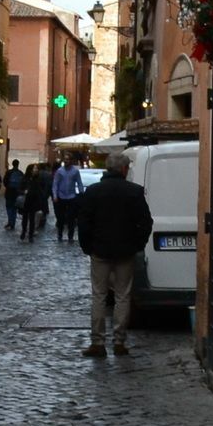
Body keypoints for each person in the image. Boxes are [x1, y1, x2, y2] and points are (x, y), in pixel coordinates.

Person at [75, 152, 152, 357]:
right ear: (125, 169)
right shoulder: (134, 192)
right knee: (123, 296)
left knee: (99, 296)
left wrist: (87, 247)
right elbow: (145, 222)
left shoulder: (93, 191)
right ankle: (119, 341)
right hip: (125, 251)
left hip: (99, 250)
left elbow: (83, 222)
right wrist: (137, 244)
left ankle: (98, 342)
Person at [52, 155, 85, 241]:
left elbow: (79, 182)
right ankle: (60, 234)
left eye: (68, 159)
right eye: (65, 159)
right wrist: (55, 195)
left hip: (71, 196)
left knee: (71, 218)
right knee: (60, 218)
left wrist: (82, 193)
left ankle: (70, 236)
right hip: (61, 196)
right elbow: (55, 184)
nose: (66, 161)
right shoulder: (59, 171)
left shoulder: (75, 171)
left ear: (71, 160)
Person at [20, 164, 52, 241]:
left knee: (32, 218)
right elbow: (20, 188)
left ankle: (30, 235)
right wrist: (24, 191)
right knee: (25, 218)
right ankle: (24, 231)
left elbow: (42, 189)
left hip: (34, 201)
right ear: (30, 170)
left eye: (37, 169)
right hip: (26, 200)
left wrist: (41, 197)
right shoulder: (25, 178)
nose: (36, 170)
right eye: (34, 168)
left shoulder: (39, 179)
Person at [3, 159, 25, 231]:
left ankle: (10, 221)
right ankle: (13, 223)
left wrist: (8, 187)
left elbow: (5, 182)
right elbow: (23, 184)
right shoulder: (21, 173)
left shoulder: (8, 172)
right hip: (17, 193)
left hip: (9, 192)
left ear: (12, 164)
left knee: (9, 207)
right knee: (14, 208)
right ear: (18, 164)